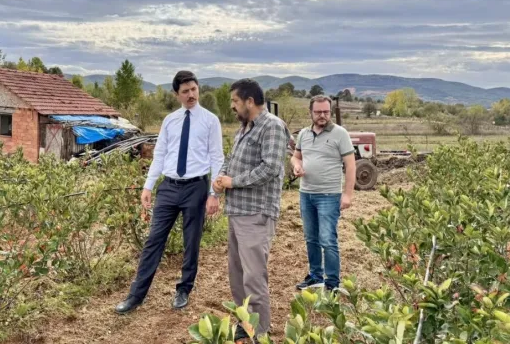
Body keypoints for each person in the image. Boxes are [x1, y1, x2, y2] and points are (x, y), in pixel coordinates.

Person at [115, 70, 224, 314]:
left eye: (193, 89)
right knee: (154, 240)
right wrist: (148, 185)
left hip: (196, 187)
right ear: (176, 94)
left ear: (198, 89)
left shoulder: (210, 120)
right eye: (185, 91)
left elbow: (217, 157)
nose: (191, 95)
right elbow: (160, 154)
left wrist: (214, 194)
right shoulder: (170, 121)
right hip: (169, 187)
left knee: (191, 241)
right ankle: (136, 295)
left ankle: (183, 289)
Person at [213, 78, 290, 340]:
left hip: (256, 213)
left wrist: (234, 181)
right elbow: (231, 160)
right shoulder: (244, 128)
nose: (232, 107)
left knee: (254, 278)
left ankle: (260, 332)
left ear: (249, 101)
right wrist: (222, 177)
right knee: (238, 276)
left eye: (235, 101)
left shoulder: (272, 127)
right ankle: (245, 324)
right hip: (237, 212)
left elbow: (270, 168)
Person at [290, 95, 356, 293]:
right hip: (306, 194)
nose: (322, 116)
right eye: (318, 112)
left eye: (326, 112)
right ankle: (315, 276)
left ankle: (332, 282)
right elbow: (295, 157)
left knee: (328, 239)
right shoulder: (303, 134)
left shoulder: (340, 134)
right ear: (310, 112)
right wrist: (297, 166)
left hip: (329, 195)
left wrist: (347, 195)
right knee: (311, 238)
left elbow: (351, 165)